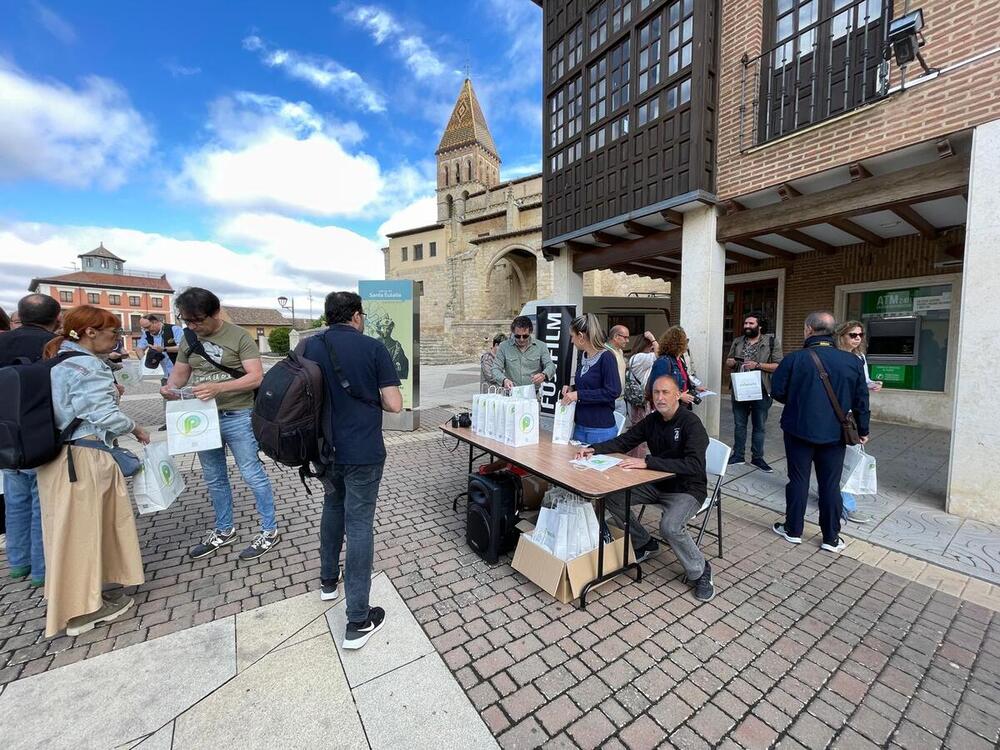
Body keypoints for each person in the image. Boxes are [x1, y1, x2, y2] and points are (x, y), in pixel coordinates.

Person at [37, 305, 149, 636]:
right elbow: (103, 415)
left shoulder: (57, 360)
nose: (116, 339)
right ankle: (84, 610)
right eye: (113, 333)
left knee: (66, 532)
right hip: (84, 457)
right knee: (85, 532)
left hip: (58, 458)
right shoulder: (88, 366)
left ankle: (82, 595)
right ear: (90, 332)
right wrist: (135, 426)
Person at [303, 292, 402, 650]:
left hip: (324, 451)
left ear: (329, 317)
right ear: (357, 316)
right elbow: (394, 404)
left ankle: (328, 582)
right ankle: (357, 620)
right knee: (359, 524)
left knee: (332, 508)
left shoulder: (307, 347)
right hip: (362, 451)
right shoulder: (373, 349)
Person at [160, 287, 280, 561]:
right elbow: (179, 376)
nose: (192, 326)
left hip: (238, 414)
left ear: (215, 313)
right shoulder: (189, 338)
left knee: (251, 473)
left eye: (198, 320)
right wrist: (169, 389)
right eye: (187, 321)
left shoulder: (238, 336)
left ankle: (269, 529)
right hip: (202, 418)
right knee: (214, 477)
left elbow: (256, 377)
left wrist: (219, 388)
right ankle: (224, 529)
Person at [576, 374, 714, 601]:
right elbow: (625, 441)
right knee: (613, 497)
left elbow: (694, 465)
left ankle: (700, 571)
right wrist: (594, 448)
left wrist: (648, 462)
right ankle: (644, 542)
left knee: (669, 527)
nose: (660, 397)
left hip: (687, 489)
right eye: (656, 392)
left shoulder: (691, 424)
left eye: (666, 392)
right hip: (656, 483)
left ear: (678, 395)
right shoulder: (652, 420)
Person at [771, 312, 870, 553]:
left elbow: (777, 392)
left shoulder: (794, 360)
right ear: (832, 331)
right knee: (830, 484)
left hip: (798, 429)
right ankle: (831, 537)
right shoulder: (852, 362)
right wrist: (863, 430)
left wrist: (799, 401)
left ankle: (793, 529)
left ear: (808, 330)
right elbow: (861, 401)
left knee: (798, 479)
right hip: (835, 432)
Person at [0, 294, 62, 587]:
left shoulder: (2, 342)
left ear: (20, 317)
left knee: (15, 499)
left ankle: (18, 561)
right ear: (57, 318)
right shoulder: (53, 346)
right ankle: (42, 569)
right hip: (41, 434)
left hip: (5, 434)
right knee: (42, 502)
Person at [836, 320, 881, 524]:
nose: (857, 339)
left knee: (849, 457)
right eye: (852, 335)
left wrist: (872, 385)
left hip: (852, 416)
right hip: (836, 413)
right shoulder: (834, 355)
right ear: (841, 335)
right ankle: (845, 503)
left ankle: (844, 501)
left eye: (860, 335)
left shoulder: (859, 357)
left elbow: (862, 384)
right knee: (841, 457)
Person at [725, 314, 783, 473]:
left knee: (759, 426)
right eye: (745, 323)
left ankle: (757, 457)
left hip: (761, 389)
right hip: (739, 388)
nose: (747, 326)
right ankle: (738, 455)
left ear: (760, 326)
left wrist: (757, 365)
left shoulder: (771, 342)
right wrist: (730, 362)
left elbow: (778, 365)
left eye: (751, 323)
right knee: (739, 424)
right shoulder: (738, 341)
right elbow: (729, 360)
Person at [561, 314, 621, 444]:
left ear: (581, 336)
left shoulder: (607, 357)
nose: (571, 341)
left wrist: (578, 394)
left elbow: (613, 391)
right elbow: (589, 385)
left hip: (600, 429)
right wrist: (572, 388)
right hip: (580, 426)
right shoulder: (583, 355)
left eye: (572, 336)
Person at [137, 314, 184, 430]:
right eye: (144, 329)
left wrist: (164, 349)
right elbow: (139, 348)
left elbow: (183, 347)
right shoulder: (147, 335)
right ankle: (171, 422)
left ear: (156, 322)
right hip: (165, 373)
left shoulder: (174, 330)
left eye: (148, 327)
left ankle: (186, 419)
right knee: (168, 397)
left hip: (181, 371)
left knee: (184, 396)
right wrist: (144, 361)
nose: (147, 330)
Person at [492, 315, 556, 390]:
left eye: (525, 336)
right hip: (511, 394)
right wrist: (504, 380)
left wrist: (544, 375)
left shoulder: (541, 346)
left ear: (531, 332)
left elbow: (551, 365)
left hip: (533, 395)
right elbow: (495, 369)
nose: (521, 339)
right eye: (518, 336)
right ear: (513, 332)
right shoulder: (504, 346)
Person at [647, 326, 698, 409]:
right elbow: (657, 388)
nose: (687, 344)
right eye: (686, 341)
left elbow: (684, 380)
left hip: (681, 407)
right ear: (678, 343)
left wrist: (696, 388)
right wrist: (680, 396)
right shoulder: (663, 362)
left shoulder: (679, 360)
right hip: (669, 409)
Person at [624, 332, 658, 458]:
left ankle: (630, 459)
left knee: (636, 432)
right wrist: (653, 339)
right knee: (641, 435)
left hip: (635, 401)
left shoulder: (635, 357)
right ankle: (635, 462)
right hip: (639, 404)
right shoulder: (641, 357)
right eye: (651, 346)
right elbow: (660, 354)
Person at [606, 324, 630, 416]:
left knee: (620, 430)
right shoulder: (605, 352)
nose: (627, 341)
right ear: (616, 337)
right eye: (625, 337)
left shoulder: (620, 351)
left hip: (621, 399)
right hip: (610, 400)